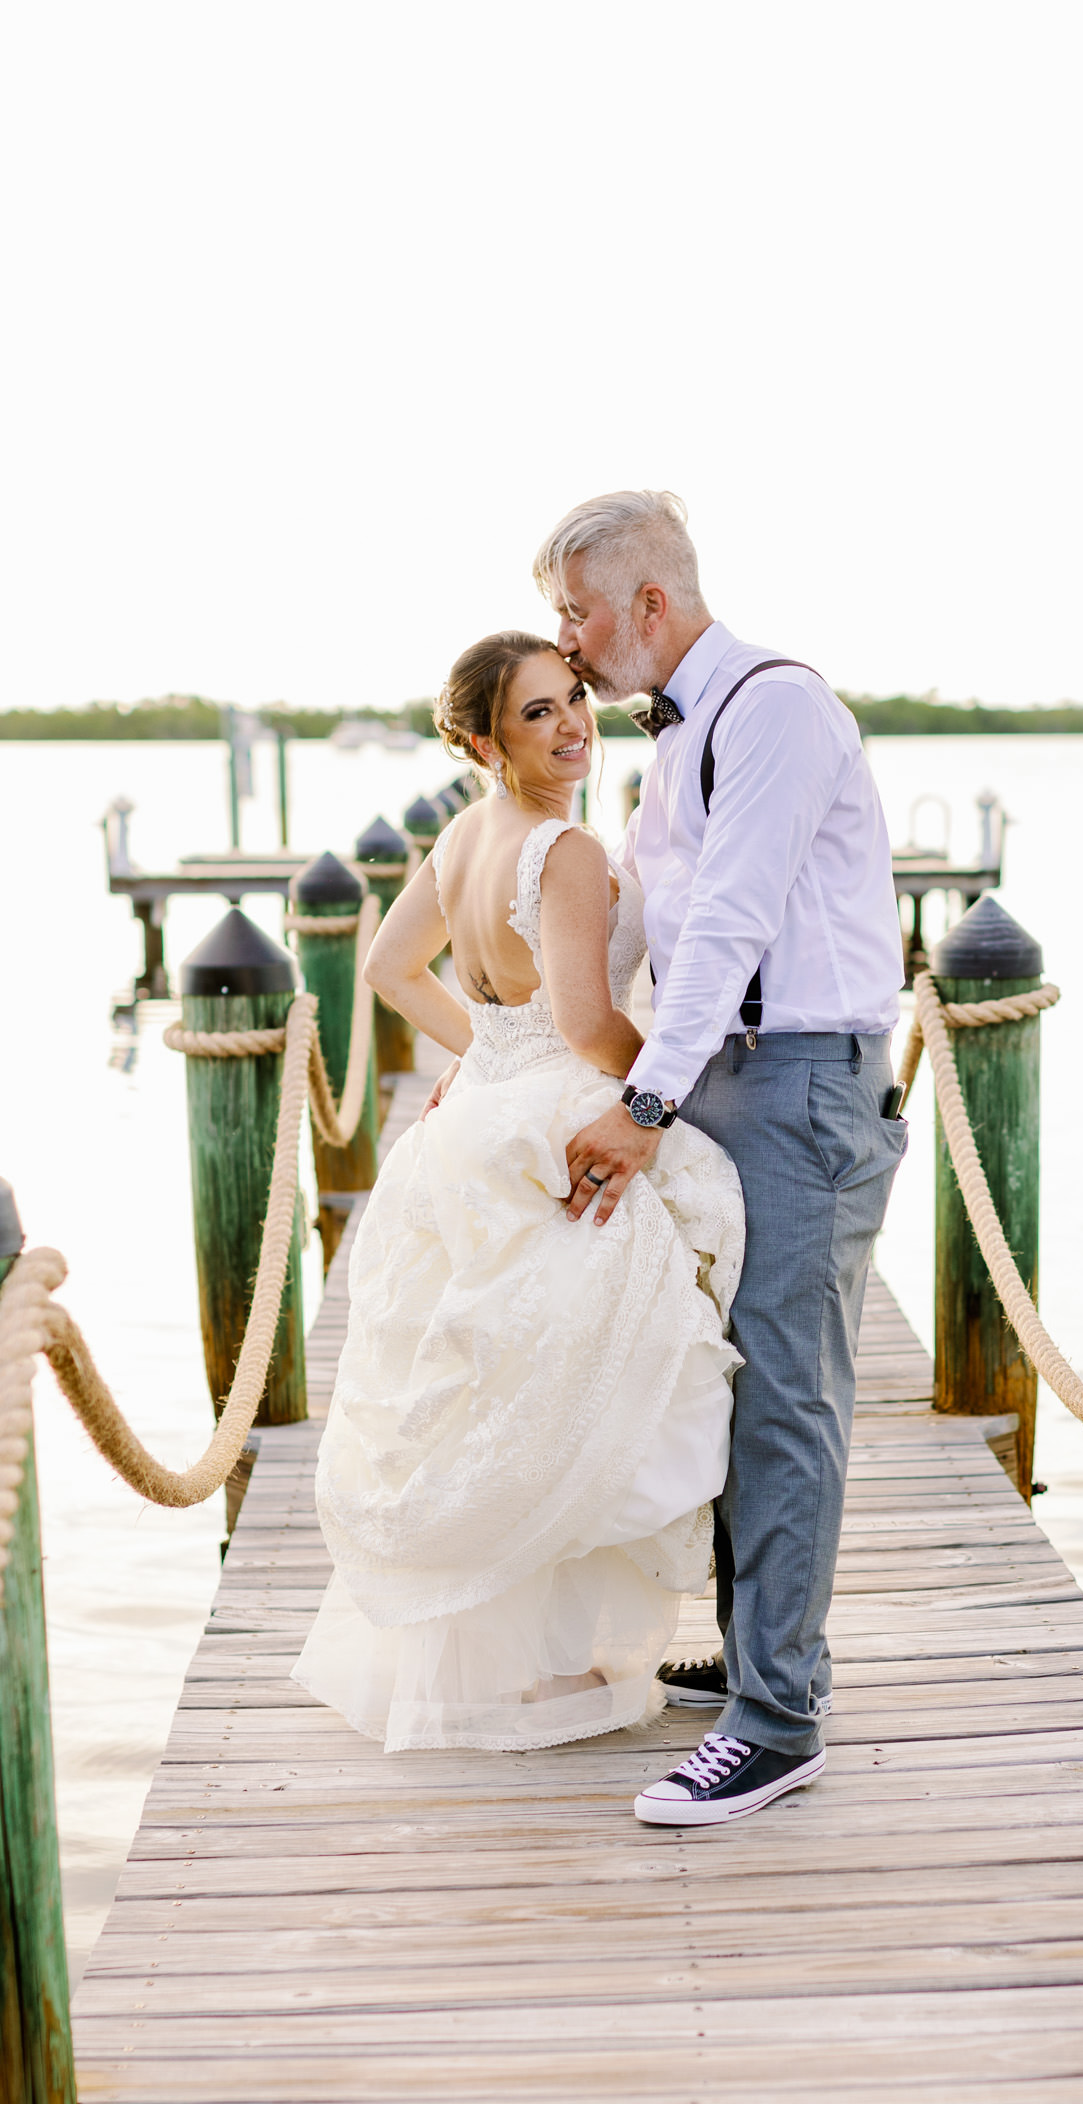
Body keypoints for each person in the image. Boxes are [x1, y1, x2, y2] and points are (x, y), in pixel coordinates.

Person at [292, 631, 745, 1751]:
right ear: (486, 738)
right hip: (561, 1120)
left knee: (511, 1387)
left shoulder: (457, 837)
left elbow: (394, 972)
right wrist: (668, 1088)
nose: (573, 724)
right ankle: (556, 1660)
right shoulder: (567, 847)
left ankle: (528, 1659)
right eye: (539, 713)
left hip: (486, 1116)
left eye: (576, 698)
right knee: (575, 1381)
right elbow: (590, 1024)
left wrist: (484, 1055)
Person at [533, 491, 907, 1826]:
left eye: (574, 614)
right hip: (726, 1082)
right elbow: (640, 922)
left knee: (789, 1398)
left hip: (799, 1084)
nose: (565, 646)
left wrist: (639, 1104)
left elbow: (730, 927)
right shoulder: (671, 739)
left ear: (648, 603)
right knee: (736, 1382)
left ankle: (775, 1719)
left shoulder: (776, 710)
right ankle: (758, 1652)